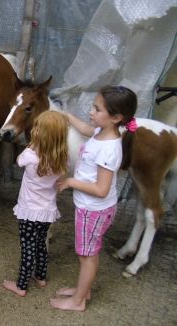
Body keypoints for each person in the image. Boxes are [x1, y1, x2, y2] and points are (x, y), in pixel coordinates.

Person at [50, 86, 138, 311]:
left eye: (97, 109)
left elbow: (101, 189)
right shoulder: (102, 133)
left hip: (94, 209)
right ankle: (83, 289)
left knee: (87, 256)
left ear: (116, 118)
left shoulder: (109, 150)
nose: (91, 112)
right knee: (88, 252)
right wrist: (66, 115)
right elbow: (86, 129)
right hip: (90, 208)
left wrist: (71, 182)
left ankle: (78, 301)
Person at [2, 111, 69, 297]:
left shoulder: (30, 155)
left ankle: (21, 286)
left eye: (37, 128)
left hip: (29, 212)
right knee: (41, 245)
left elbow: (18, 160)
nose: (34, 130)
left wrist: (32, 145)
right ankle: (40, 276)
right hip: (47, 211)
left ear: (39, 134)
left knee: (27, 249)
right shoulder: (64, 157)